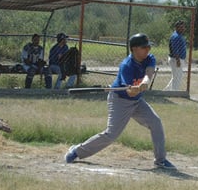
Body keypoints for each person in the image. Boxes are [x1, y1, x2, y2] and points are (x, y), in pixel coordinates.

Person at [64, 33, 176, 170]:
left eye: (148, 47)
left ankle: (160, 160)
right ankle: (76, 151)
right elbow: (129, 92)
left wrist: (144, 83)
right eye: (144, 47)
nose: (148, 50)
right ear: (134, 49)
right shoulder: (126, 65)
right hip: (120, 101)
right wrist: (135, 89)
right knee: (111, 134)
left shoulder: (149, 58)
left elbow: (149, 73)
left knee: (156, 122)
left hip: (137, 101)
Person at [164, 20, 187, 91]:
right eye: (181, 27)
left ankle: (167, 90)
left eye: (183, 27)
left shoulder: (179, 35)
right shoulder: (176, 36)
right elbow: (175, 50)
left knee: (177, 76)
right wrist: (178, 60)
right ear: (176, 28)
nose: (183, 29)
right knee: (177, 77)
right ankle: (174, 91)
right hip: (176, 59)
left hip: (178, 59)